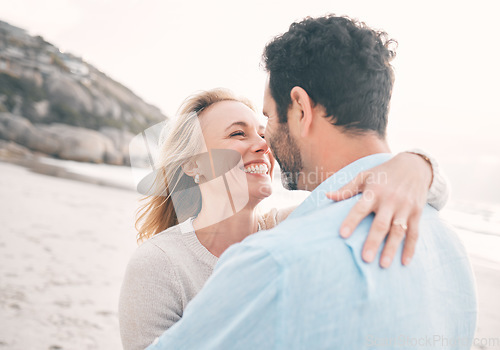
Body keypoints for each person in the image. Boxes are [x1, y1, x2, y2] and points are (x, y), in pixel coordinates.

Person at [146, 15, 477, 349]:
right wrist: (420, 164)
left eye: (269, 118)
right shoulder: (451, 249)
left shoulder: (274, 262)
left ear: (301, 109)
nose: (266, 141)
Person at [119, 87, 449, 349]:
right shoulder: (159, 264)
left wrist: (417, 165)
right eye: (238, 134)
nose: (263, 146)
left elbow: (424, 191)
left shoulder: (295, 226)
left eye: (263, 134)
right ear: (193, 165)